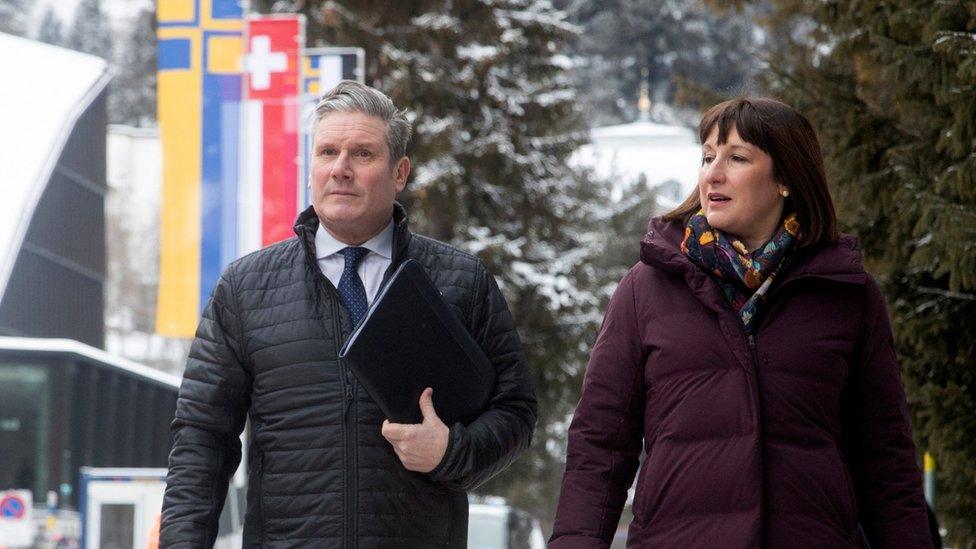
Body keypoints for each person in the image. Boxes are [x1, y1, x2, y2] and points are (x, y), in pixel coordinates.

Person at [160, 81, 537, 548]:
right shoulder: (244, 288)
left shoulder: (461, 280)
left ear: (399, 172)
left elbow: (516, 411)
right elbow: (202, 438)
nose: (340, 169)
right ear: (310, 166)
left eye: (362, 154)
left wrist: (452, 452)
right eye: (327, 152)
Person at [549, 98, 930, 548]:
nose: (713, 173)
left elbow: (886, 464)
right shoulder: (646, 288)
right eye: (708, 156)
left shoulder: (848, 294)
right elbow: (600, 448)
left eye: (738, 157)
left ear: (786, 177)